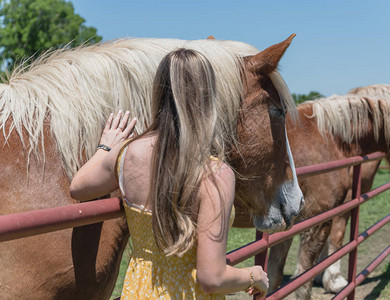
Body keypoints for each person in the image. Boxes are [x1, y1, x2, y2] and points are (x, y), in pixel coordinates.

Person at [69, 48, 269, 299]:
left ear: (158, 93)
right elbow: (212, 277)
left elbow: (78, 186)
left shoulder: (127, 153)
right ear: (208, 99)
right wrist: (255, 275)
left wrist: (106, 146)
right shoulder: (215, 174)